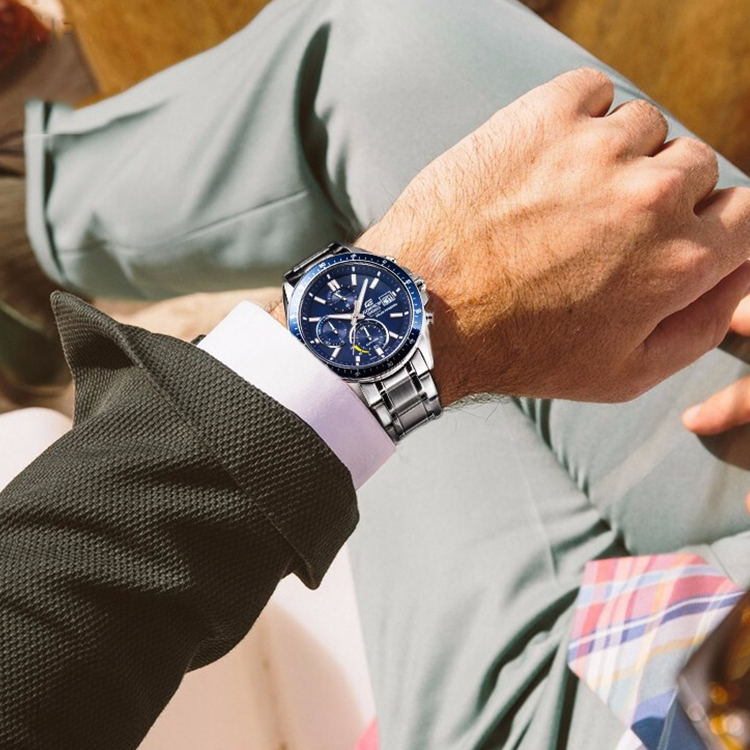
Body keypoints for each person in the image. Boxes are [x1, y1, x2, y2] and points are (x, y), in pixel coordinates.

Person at [3, 0, 750, 748]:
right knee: (394, 48)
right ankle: (36, 228)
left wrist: (405, 324)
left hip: (646, 709)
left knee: (396, 235)